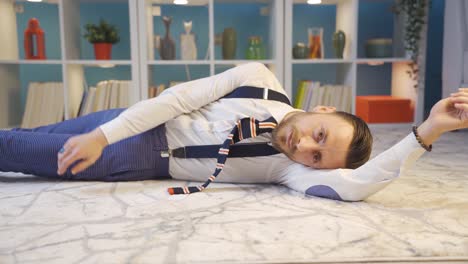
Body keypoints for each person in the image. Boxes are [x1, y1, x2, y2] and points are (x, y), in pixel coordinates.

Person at [1, 62, 467, 201]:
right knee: (29, 134)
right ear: (323, 109)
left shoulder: (290, 171)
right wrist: (102, 134)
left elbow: (358, 186)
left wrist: (427, 130)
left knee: (16, 149)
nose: (303, 147)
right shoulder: (257, 79)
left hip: (136, 157)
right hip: (128, 120)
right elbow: (175, 99)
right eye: (319, 135)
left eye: (317, 156)